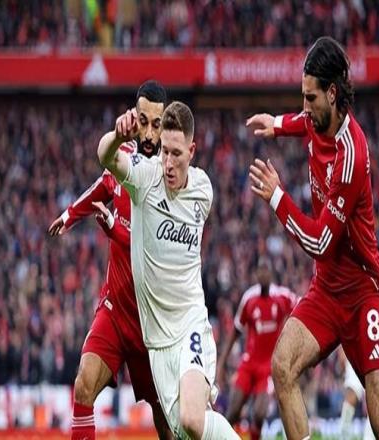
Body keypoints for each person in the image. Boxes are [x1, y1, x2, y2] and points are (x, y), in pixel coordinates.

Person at [246, 36, 379, 439]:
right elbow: (303, 122)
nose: (304, 106)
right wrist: (277, 124)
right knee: (282, 367)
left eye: (310, 97)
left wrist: (277, 197)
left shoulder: (352, 155)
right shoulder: (318, 119)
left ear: (333, 94)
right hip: (327, 293)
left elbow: (320, 243)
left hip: (362, 295)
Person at [97, 100, 240, 439]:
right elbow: (105, 156)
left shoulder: (203, 190)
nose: (169, 163)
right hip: (157, 340)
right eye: (164, 152)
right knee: (183, 430)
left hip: (190, 322)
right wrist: (117, 137)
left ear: (192, 151)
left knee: (191, 419)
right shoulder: (145, 179)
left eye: (177, 153)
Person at [48, 81, 172, 440]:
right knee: (83, 386)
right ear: (134, 117)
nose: (149, 132)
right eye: (143, 121)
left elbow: (154, 249)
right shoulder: (125, 156)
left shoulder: (171, 175)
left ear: (165, 123)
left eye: (157, 124)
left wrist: (115, 229)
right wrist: (71, 214)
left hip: (153, 323)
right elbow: (104, 183)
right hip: (116, 311)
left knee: (167, 421)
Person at [216, 258, 297, 440]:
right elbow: (236, 331)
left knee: (259, 414)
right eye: (260, 270)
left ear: (271, 273)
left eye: (265, 269)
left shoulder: (282, 296)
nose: (263, 273)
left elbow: (302, 306)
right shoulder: (249, 298)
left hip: (268, 365)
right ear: (256, 274)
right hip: (249, 363)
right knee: (232, 412)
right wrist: (221, 363)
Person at [339, 249, 379, 440]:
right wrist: (342, 350)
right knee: (352, 392)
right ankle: (343, 434)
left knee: (378, 398)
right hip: (358, 347)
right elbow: (346, 321)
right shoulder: (359, 284)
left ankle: (369, 437)